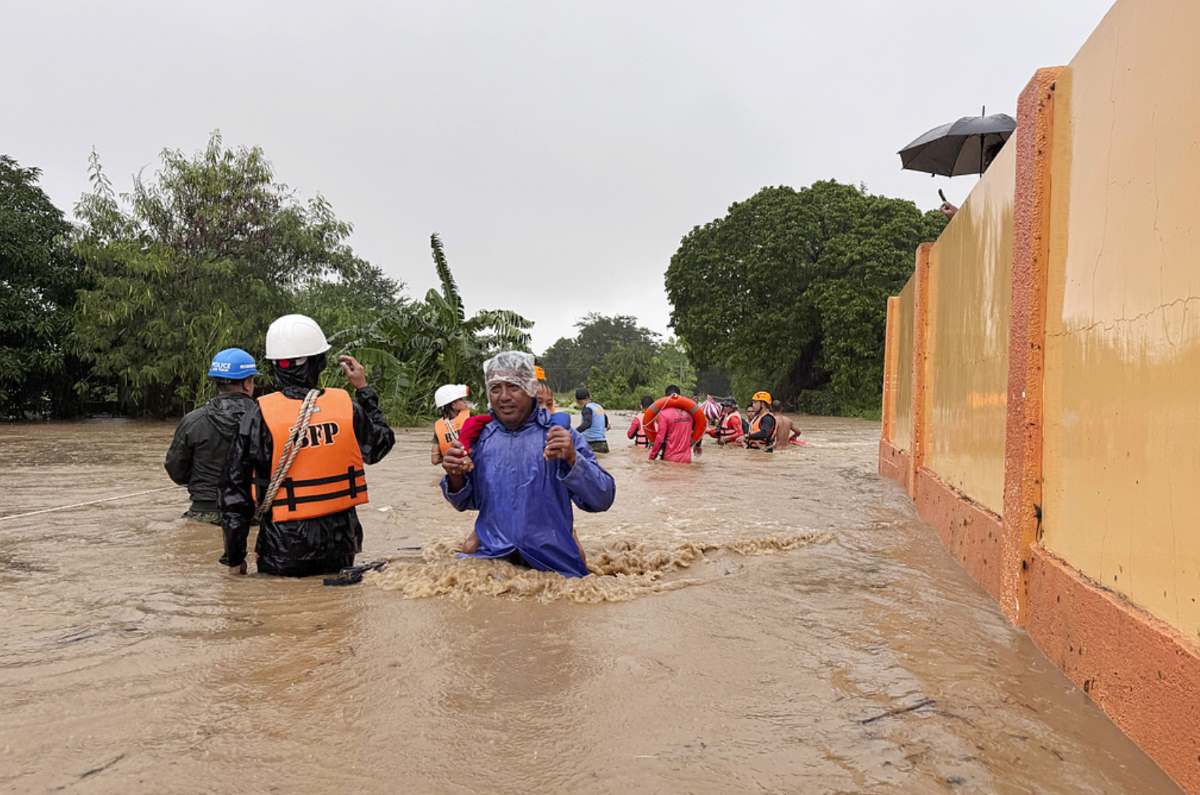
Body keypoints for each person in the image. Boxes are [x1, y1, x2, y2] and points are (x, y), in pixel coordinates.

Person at [219, 314, 395, 577]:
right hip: (341, 545)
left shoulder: (258, 415)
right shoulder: (347, 406)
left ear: (275, 367)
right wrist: (364, 390)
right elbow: (380, 445)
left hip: (283, 548)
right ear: (320, 363)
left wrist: (235, 558)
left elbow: (234, 493)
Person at [441, 351, 615, 577]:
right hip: (492, 560)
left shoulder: (561, 436)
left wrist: (573, 459)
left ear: (531, 389)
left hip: (553, 564)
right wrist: (455, 476)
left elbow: (602, 498)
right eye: (495, 389)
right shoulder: (480, 439)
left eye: (513, 387)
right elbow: (465, 502)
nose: (504, 397)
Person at [164, 348, 259, 525]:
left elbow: (176, 470)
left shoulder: (193, 421)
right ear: (247, 383)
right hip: (252, 512)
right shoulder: (266, 419)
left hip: (204, 511)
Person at [431, 384, 471, 465]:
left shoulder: (439, 427)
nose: (464, 402)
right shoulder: (470, 417)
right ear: (453, 405)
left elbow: (434, 460)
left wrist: (450, 457)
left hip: (455, 468)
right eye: (461, 399)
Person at [574, 387, 610, 453]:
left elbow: (587, 424)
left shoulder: (587, 409)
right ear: (589, 397)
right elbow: (607, 424)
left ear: (577, 400)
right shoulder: (598, 407)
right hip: (603, 444)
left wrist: (574, 432)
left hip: (592, 445)